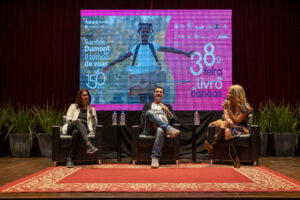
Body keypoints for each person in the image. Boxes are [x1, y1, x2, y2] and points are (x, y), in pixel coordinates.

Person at [103, 22, 194, 103]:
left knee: (152, 101)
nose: (145, 33)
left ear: (150, 33)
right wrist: (110, 65)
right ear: (139, 33)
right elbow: (123, 57)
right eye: (143, 31)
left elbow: (169, 49)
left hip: (151, 77)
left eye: (147, 31)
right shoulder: (136, 47)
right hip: (140, 77)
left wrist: (184, 53)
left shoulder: (152, 45)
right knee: (142, 101)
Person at [204, 84, 253, 168]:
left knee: (226, 128)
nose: (227, 94)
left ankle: (212, 147)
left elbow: (237, 121)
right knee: (227, 128)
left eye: (230, 93)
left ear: (235, 95)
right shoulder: (227, 102)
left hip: (241, 128)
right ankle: (236, 159)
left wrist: (228, 110)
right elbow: (226, 115)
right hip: (230, 126)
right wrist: (228, 120)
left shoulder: (246, 107)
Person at [141, 86, 180, 168]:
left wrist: (169, 112)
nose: (158, 93)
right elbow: (145, 117)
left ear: (163, 94)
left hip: (162, 129)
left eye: (160, 92)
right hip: (150, 128)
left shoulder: (167, 106)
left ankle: (155, 158)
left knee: (160, 130)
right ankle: (168, 128)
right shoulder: (147, 105)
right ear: (154, 94)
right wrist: (155, 122)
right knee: (149, 112)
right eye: (157, 92)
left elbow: (175, 120)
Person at [62, 89, 98, 168]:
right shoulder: (73, 106)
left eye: (87, 95)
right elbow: (68, 118)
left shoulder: (92, 109)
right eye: (84, 95)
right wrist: (74, 120)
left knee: (76, 132)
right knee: (78, 122)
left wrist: (92, 115)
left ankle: (70, 159)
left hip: (83, 130)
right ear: (80, 97)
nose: (86, 97)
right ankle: (88, 145)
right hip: (71, 126)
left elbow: (95, 124)